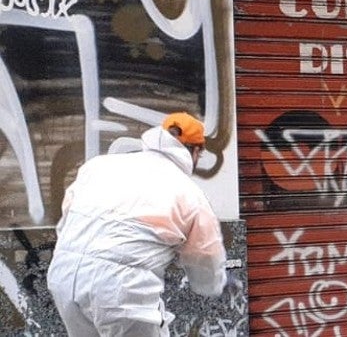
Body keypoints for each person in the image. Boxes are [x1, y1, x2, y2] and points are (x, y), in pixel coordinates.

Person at [48, 112, 227, 336]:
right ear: (197, 151)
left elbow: (67, 217)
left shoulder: (99, 166)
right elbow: (205, 260)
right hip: (120, 289)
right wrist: (211, 286)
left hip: (63, 275)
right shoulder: (189, 193)